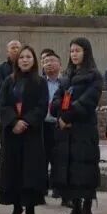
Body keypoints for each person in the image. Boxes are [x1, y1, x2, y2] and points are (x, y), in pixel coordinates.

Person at [52, 38, 103, 214]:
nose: (74, 54)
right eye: (72, 51)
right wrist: (60, 116)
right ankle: (75, 208)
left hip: (84, 131)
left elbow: (88, 102)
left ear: (86, 52)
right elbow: (56, 100)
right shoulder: (67, 76)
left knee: (85, 171)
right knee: (70, 170)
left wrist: (67, 117)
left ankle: (87, 212)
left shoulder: (94, 76)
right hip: (66, 132)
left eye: (78, 51)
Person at [0, 45, 49, 214]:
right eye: (21, 57)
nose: (25, 60)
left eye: (28, 57)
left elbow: (42, 106)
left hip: (30, 133)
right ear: (16, 61)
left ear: (34, 60)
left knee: (30, 171)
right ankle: (16, 207)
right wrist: (13, 121)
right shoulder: (9, 81)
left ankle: (30, 208)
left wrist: (25, 121)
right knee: (13, 171)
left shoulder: (40, 82)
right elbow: (2, 104)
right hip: (12, 133)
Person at [42, 51, 64, 195]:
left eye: (52, 61)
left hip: (60, 125)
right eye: (46, 62)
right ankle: (41, 190)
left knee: (60, 159)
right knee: (41, 159)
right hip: (42, 125)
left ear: (60, 65)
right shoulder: (39, 83)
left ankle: (59, 190)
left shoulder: (66, 83)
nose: (49, 64)